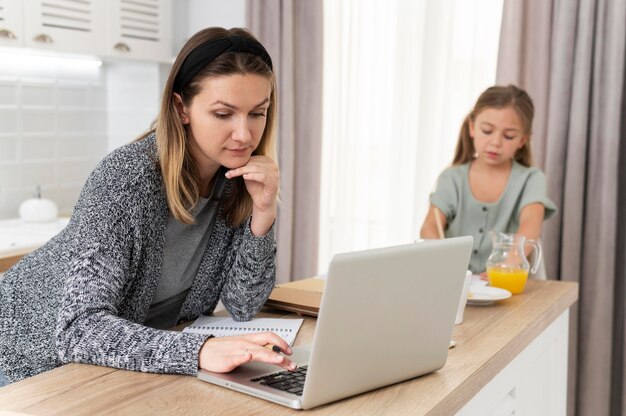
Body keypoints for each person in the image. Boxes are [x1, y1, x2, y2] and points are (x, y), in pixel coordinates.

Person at [0, 27, 296, 387]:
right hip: (26, 366)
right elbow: (79, 328)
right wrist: (199, 350)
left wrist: (263, 213)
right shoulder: (126, 179)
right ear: (180, 107)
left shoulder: (234, 181)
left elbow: (244, 305)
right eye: (223, 114)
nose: (245, 135)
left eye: (257, 113)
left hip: (111, 369)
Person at [420, 85, 556, 274]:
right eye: (487, 131)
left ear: (523, 140)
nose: (495, 142)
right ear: (472, 128)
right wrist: (445, 264)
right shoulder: (451, 178)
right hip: (458, 286)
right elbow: (430, 226)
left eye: (508, 136)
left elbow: (530, 226)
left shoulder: (531, 179)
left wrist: (505, 267)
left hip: (508, 287)